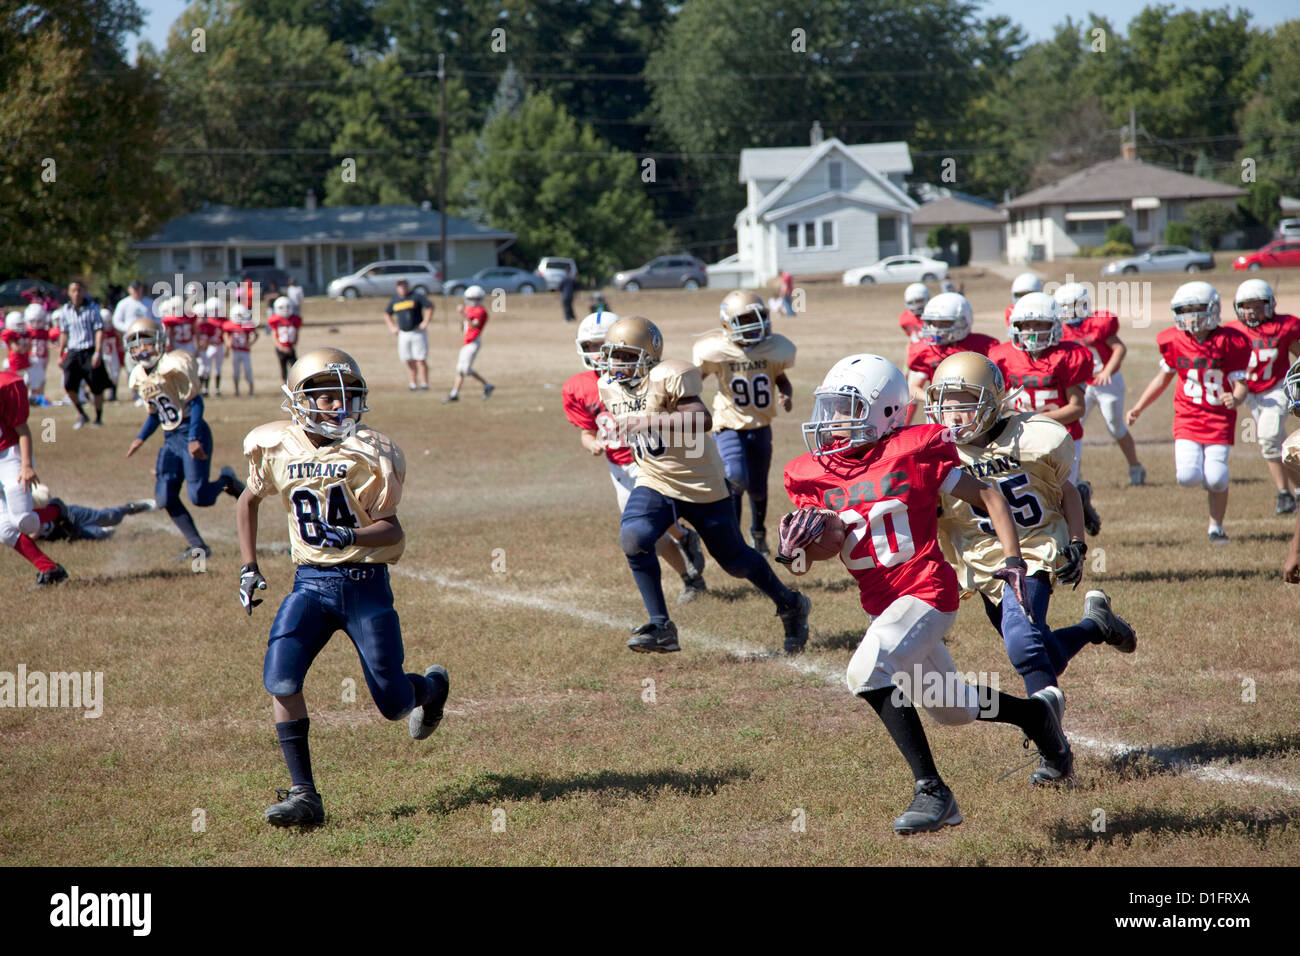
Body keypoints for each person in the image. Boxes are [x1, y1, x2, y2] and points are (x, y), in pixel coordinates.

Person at [779, 354, 1074, 834]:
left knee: (866, 670)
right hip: (884, 606)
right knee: (951, 708)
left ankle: (934, 792)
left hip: (927, 592)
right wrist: (798, 549)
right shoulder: (813, 472)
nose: (833, 420)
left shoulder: (914, 450)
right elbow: (813, 559)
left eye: (846, 407)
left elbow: (991, 496)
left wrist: (1013, 558)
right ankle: (1038, 717)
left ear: (889, 412)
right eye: (830, 407)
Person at [235, 347, 450, 827]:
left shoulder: (370, 450)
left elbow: (392, 530)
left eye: (346, 396)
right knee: (281, 677)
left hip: (365, 584)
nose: (338, 405)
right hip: (310, 583)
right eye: (326, 396)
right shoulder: (277, 446)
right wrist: (249, 566)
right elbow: (248, 501)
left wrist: (351, 535)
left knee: (393, 702)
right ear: (298, 399)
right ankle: (304, 794)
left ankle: (431, 689)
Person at [927, 352, 1136, 717]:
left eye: (965, 404)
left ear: (992, 403)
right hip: (982, 562)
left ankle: (1052, 746)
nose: (953, 416)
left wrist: (1077, 543)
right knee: (1041, 652)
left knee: (1024, 645)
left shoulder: (1033, 436)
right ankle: (1095, 625)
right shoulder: (936, 452)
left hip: (1033, 547)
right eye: (946, 405)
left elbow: (1067, 491)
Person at [599, 316, 810, 654]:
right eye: (613, 355)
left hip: (701, 484)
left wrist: (648, 420)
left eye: (626, 355)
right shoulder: (608, 386)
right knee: (634, 537)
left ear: (648, 354)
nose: (616, 363)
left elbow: (701, 418)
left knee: (736, 561)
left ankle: (790, 603)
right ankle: (660, 625)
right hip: (654, 478)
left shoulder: (668, 374)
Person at [564, 310, 708, 604]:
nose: (596, 352)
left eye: (600, 344)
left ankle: (685, 539)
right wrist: (591, 443)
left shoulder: (650, 379)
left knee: (647, 524)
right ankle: (690, 573)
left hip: (652, 462)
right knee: (649, 537)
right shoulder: (579, 387)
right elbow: (587, 431)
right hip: (619, 468)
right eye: (589, 346)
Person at [1127, 282, 1251, 544]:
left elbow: (1242, 383)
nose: (1192, 317)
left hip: (1219, 419)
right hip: (1187, 417)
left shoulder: (1229, 341)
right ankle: (1209, 482)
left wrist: (1236, 398)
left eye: (1197, 309)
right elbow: (1162, 379)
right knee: (1187, 477)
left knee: (1217, 478)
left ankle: (1215, 527)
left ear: (1213, 309)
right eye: (1186, 310)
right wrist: (1138, 407)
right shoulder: (1173, 340)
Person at [123, 317, 245, 560]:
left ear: (159, 342)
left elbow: (196, 402)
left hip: (192, 431)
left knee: (199, 497)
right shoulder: (138, 375)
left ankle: (227, 480)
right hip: (170, 439)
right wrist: (140, 438)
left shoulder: (173, 365)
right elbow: (157, 414)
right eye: (136, 346)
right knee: (165, 497)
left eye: (146, 343)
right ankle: (198, 545)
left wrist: (192, 438)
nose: (141, 350)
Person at [693, 291, 796, 555]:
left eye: (758, 317)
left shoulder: (772, 349)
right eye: (745, 319)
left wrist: (786, 392)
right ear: (727, 323)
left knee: (759, 488)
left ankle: (758, 532)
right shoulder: (717, 350)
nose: (754, 324)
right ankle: (735, 538)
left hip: (760, 426)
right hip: (728, 424)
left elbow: (780, 377)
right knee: (735, 477)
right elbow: (695, 380)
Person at [990, 292, 1100, 534]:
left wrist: (1034, 420)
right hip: (1018, 435)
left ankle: (1073, 545)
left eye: (1039, 324)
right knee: (1025, 493)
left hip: (1062, 435)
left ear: (1055, 326)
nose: (1032, 330)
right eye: (1026, 324)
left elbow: (1077, 408)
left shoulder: (1067, 355)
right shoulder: (1003, 355)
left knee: (1060, 497)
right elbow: (998, 401)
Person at [1054, 282, 1146, 487]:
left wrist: (1107, 371)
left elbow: (1119, 349)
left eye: (1075, 306)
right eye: (1066, 307)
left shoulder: (1098, 323)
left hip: (1107, 383)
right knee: (1069, 429)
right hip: (1080, 385)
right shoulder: (1060, 329)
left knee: (1115, 427)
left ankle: (1135, 466)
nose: (1071, 312)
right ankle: (1074, 475)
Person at [1223, 279, 1300, 514]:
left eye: (1257, 306)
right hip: (1249, 393)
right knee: (1279, 443)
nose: (1252, 311)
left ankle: (1283, 493)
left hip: (1276, 388)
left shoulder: (1285, 326)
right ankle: (1297, 490)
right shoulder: (1232, 330)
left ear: (1270, 304)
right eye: (1247, 306)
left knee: (1268, 439)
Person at [0, 368, 67, 587]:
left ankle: (58, 511)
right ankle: (51, 570)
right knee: (5, 531)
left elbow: (23, 430)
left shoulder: (5, 385)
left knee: (24, 521)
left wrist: (27, 465)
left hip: (9, 455)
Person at [903, 292, 997, 424]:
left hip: (974, 411)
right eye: (933, 323)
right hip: (940, 413)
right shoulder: (927, 349)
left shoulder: (983, 345)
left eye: (943, 324)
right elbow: (913, 388)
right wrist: (934, 401)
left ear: (963, 321)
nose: (936, 330)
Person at [52, 280, 110, 429]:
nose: (77, 293)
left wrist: (97, 352)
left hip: (89, 350)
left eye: (79, 290)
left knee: (96, 386)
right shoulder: (65, 310)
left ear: (84, 292)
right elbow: (64, 333)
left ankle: (98, 417)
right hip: (73, 351)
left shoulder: (92, 308)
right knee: (69, 385)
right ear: (69, 292)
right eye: (73, 290)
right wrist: (60, 354)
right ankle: (82, 414)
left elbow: (99, 330)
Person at [28, 481, 155, 542]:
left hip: (71, 514)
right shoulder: (17, 523)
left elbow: (45, 492)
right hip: (63, 532)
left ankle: (131, 507)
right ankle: (109, 531)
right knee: (100, 535)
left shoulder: (37, 500)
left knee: (108, 517)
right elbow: (31, 537)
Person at [443, 285, 494, 403]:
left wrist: (463, 314)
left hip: (473, 342)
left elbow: (473, 325)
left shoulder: (481, 311)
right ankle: (454, 393)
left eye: (475, 299)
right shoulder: (468, 309)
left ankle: (487, 385)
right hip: (466, 342)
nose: (473, 302)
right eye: (471, 299)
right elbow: (464, 326)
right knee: (460, 369)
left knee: (464, 369)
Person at [383, 279, 431, 391]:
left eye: (404, 286)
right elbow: (387, 314)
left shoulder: (416, 296)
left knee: (420, 359)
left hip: (417, 332)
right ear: (397, 288)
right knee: (408, 359)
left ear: (407, 286)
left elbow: (429, 306)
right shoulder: (395, 300)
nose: (402, 288)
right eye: (400, 286)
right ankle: (413, 384)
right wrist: (392, 327)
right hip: (403, 333)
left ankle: (424, 384)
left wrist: (425, 322)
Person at [23, 304, 56, 404]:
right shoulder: (27, 332)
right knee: (28, 379)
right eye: (33, 321)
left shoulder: (45, 332)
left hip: (41, 358)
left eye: (39, 321)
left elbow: (47, 347)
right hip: (30, 358)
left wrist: (46, 360)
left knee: (41, 379)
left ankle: (39, 397)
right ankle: (27, 397)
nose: (36, 324)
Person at [223, 302, 257, 397]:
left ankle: (251, 391)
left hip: (245, 351)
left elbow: (256, 335)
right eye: (237, 315)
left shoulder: (247, 324)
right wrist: (227, 348)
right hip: (236, 351)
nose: (239, 317)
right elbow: (226, 336)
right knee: (236, 372)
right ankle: (236, 391)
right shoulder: (229, 325)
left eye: (240, 315)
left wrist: (250, 343)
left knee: (248, 371)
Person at [268, 296, 303, 384]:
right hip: (281, 348)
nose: (285, 310)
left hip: (290, 347)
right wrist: (281, 347)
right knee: (283, 368)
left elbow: (296, 334)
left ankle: (296, 383)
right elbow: (274, 335)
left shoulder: (295, 319)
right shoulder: (275, 320)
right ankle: (284, 385)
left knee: (295, 367)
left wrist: (293, 345)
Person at [196, 296, 226, 397]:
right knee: (205, 368)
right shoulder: (206, 323)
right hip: (208, 347)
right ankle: (204, 389)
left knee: (217, 368)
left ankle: (216, 389)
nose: (215, 311)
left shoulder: (222, 320)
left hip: (218, 345)